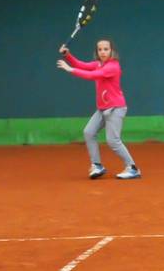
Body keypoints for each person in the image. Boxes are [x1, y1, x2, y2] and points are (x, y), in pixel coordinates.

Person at [58, 39, 141, 180]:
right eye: (100, 49)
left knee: (113, 141)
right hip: (102, 109)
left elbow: (92, 75)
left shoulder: (112, 66)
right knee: (89, 132)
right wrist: (68, 55)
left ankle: (132, 168)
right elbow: (82, 65)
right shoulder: (98, 64)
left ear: (112, 51)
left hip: (116, 108)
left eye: (106, 49)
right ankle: (97, 165)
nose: (103, 52)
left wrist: (69, 69)